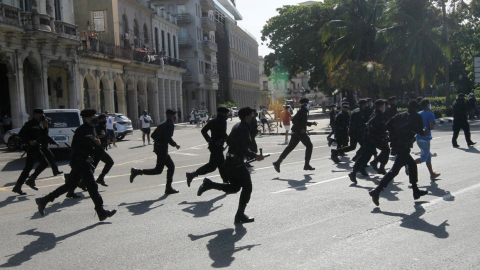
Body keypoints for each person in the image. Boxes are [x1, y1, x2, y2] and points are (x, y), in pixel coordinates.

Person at [35, 109, 117, 221]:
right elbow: (75, 148)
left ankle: (44, 200)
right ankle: (101, 211)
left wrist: (97, 143)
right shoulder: (81, 130)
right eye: (93, 116)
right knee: (92, 186)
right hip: (80, 162)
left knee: (69, 185)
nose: (95, 118)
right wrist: (86, 157)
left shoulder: (91, 128)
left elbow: (92, 143)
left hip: (84, 162)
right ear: (87, 118)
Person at [197, 107, 265, 224]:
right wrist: (254, 155)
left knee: (235, 187)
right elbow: (241, 148)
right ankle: (240, 215)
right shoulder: (242, 128)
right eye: (251, 115)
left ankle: (210, 184)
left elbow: (229, 142)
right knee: (247, 187)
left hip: (231, 161)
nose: (253, 117)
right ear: (247, 117)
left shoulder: (237, 126)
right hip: (236, 163)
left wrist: (249, 154)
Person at [368, 100, 429, 206]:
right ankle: (377, 191)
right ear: (416, 108)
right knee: (394, 171)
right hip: (404, 147)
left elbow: (387, 126)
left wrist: (393, 134)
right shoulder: (417, 116)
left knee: (412, 165)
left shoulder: (400, 115)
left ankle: (415, 190)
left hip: (397, 145)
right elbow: (420, 131)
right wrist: (424, 131)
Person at [130, 109, 181, 195]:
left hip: (158, 147)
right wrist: (175, 145)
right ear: (172, 116)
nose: (175, 117)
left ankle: (168, 188)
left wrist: (159, 140)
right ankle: (138, 171)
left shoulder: (162, 124)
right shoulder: (170, 125)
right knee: (158, 170)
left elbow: (153, 135)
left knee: (171, 166)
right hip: (162, 149)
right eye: (174, 115)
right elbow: (168, 137)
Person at [186, 107, 229, 187]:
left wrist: (209, 139)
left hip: (214, 145)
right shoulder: (222, 121)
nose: (226, 115)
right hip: (217, 146)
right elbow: (223, 134)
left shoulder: (213, 121)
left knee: (222, 165)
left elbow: (203, 131)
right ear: (222, 113)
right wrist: (229, 141)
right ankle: (192, 174)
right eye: (225, 113)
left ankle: (226, 181)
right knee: (212, 166)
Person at [349, 100, 390, 183]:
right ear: (380, 106)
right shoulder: (378, 115)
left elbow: (369, 123)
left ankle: (355, 171)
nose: (384, 107)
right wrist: (384, 133)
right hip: (374, 138)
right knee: (386, 149)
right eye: (383, 106)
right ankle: (376, 163)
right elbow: (374, 125)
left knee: (366, 154)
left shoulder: (375, 113)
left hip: (370, 137)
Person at [272, 98, 318, 173]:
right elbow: (297, 121)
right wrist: (302, 128)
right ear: (305, 104)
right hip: (300, 132)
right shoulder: (303, 111)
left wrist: (310, 123)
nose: (309, 105)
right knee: (309, 145)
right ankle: (306, 165)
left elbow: (295, 120)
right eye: (308, 103)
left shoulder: (301, 111)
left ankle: (278, 162)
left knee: (290, 147)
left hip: (296, 132)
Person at [11, 109, 50, 195]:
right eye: (39, 114)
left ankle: (17, 186)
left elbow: (44, 135)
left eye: (42, 114)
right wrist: (29, 141)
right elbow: (21, 135)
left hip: (36, 146)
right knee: (44, 163)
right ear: (35, 114)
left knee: (28, 168)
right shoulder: (29, 124)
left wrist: (46, 126)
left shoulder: (40, 124)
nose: (41, 115)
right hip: (31, 147)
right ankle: (31, 179)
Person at [416, 99, 441, 180]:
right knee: (423, 158)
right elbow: (431, 127)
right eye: (429, 104)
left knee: (428, 157)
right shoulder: (430, 114)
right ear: (427, 105)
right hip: (425, 139)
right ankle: (409, 164)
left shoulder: (418, 113)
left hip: (418, 138)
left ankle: (432, 174)